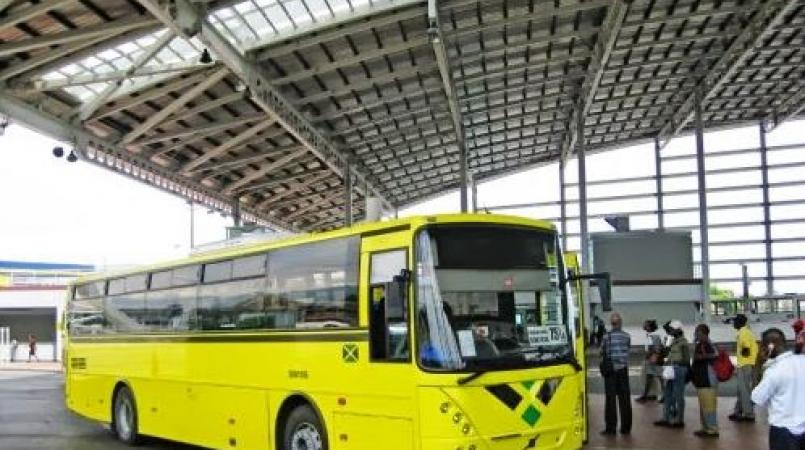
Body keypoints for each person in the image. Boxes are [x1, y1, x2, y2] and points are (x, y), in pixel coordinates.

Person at [751, 329, 805, 450]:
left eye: (763, 345)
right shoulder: (803, 361)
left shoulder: (774, 371)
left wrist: (758, 364)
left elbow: (756, 398)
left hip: (783, 434)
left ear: (770, 346)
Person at [600, 312, 632, 436]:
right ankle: (626, 427)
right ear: (620, 323)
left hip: (611, 371)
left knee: (610, 399)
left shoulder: (606, 337)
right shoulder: (627, 336)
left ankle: (611, 428)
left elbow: (602, 352)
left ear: (611, 323)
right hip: (623, 370)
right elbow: (627, 349)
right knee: (625, 399)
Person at [655, 320, 689, 428]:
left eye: (673, 329)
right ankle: (666, 417)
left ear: (678, 330)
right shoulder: (673, 341)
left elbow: (686, 360)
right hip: (671, 369)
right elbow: (668, 354)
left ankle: (679, 419)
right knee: (668, 394)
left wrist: (675, 363)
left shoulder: (683, 342)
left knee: (678, 395)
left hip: (679, 369)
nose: (671, 331)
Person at [691, 324, 719, 438]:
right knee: (704, 406)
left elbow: (715, 355)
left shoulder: (708, 345)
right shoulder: (702, 344)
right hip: (702, 380)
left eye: (698, 333)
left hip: (707, 380)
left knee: (709, 407)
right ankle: (705, 427)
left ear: (704, 333)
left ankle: (712, 429)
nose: (696, 335)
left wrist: (701, 356)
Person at [730, 314, 758, 422]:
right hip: (745, 363)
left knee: (744, 390)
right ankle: (738, 411)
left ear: (740, 322)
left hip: (745, 364)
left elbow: (746, 349)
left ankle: (749, 414)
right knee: (741, 389)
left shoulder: (743, 332)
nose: (733, 323)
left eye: (735, 321)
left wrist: (742, 356)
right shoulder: (745, 331)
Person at [636, 319, 663, 403]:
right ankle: (646, 395)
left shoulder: (653, 336)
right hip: (652, 360)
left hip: (653, 360)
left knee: (660, 378)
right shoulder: (651, 335)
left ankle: (664, 396)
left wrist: (650, 355)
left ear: (649, 327)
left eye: (645, 324)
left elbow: (656, 348)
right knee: (651, 377)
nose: (644, 325)